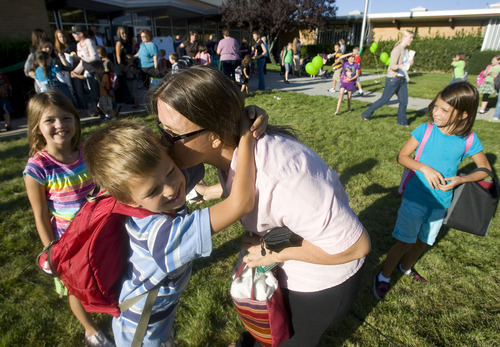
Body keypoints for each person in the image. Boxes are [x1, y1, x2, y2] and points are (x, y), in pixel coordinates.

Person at [152, 66, 371, 346]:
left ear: (216, 135)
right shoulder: (238, 154)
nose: (163, 144)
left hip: (320, 284)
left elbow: (356, 246)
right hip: (295, 267)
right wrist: (213, 191)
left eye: (173, 135)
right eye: (161, 129)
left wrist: (274, 253)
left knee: (291, 340)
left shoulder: (283, 179)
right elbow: (253, 185)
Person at [82, 116, 256, 346]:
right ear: (128, 200)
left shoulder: (154, 193)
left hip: (156, 314)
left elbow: (193, 160)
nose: (172, 188)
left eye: (171, 171)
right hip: (141, 331)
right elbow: (240, 203)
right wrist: (246, 135)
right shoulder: (161, 237)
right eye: (154, 190)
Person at [373, 81, 493, 301]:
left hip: (441, 203)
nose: (436, 113)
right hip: (415, 198)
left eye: (444, 110)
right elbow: (402, 157)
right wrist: (423, 167)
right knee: (405, 242)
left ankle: (406, 268)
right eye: (435, 106)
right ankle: (384, 275)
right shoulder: (425, 130)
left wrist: (462, 178)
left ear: (464, 115)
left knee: (423, 242)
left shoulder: (469, 140)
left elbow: (485, 169)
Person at [23, 91, 114, 347]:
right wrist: (52, 250)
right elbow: (40, 214)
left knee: (106, 271)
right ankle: (90, 330)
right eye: (50, 120)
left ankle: (115, 306)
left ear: (76, 120)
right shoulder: (37, 168)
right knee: (75, 287)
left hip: (100, 230)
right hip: (68, 242)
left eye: (66, 118)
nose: (60, 125)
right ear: (37, 127)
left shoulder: (87, 151)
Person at [361, 29, 415, 127]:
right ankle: (366, 114)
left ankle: (402, 122)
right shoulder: (397, 49)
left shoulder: (405, 50)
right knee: (384, 100)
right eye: (410, 37)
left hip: (401, 79)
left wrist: (409, 63)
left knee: (404, 101)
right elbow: (392, 65)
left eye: (412, 38)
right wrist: (400, 66)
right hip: (393, 79)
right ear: (405, 37)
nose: (412, 40)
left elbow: (404, 66)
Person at [70, 25, 101, 117]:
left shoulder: (89, 42)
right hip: (87, 72)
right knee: (91, 94)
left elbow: (95, 57)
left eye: (74, 33)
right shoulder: (78, 45)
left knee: (97, 93)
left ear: (81, 33)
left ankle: (106, 111)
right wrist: (75, 72)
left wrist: (80, 57)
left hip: (95, 71)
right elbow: (82, 62)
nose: (73, 35)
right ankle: (97, 111)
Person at [114, 26, 134, 103]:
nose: (124, 34)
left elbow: (131, 52)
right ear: (119, 34)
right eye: (122, 33)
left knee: (130, 81)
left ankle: (130, 97)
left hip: (129, 63)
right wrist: (120, 65)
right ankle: (126, 99)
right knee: (125, 82)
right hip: (123, 65)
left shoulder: (127, 42)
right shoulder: (119, 43)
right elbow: (118, 55)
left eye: (125, 33)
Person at [25, 28, 47, 93]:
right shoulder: (34, 54)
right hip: (42, 85)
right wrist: (39, 76)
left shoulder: (50, 51)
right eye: (42, 37)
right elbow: (27, 70)